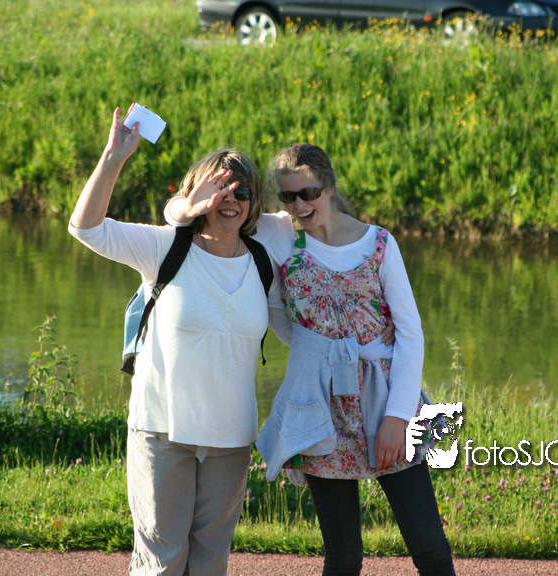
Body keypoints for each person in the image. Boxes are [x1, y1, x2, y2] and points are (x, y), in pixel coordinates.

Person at [167, 143, 455, 576]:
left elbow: (411, 335)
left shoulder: (379, 243)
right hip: (320, 406)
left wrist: (398, 419)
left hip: (384, 402)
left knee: (429, 546)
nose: (299, 205)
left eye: (309, 193)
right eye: (288, 196)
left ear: (330, 188)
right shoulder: (279, 234)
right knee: (343, 556)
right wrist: (318, 347)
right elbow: (179, 218)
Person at [68, 105, 289, 576]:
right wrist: (114, 158)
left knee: (210, 563)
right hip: (162, 432)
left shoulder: (266, 257)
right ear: (195, 192)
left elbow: (300, 319)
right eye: (217, 190)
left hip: (231, 439)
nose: (229, 201)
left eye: (241, 192)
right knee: (162, 563)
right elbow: (86, 228)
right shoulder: (165, 247)